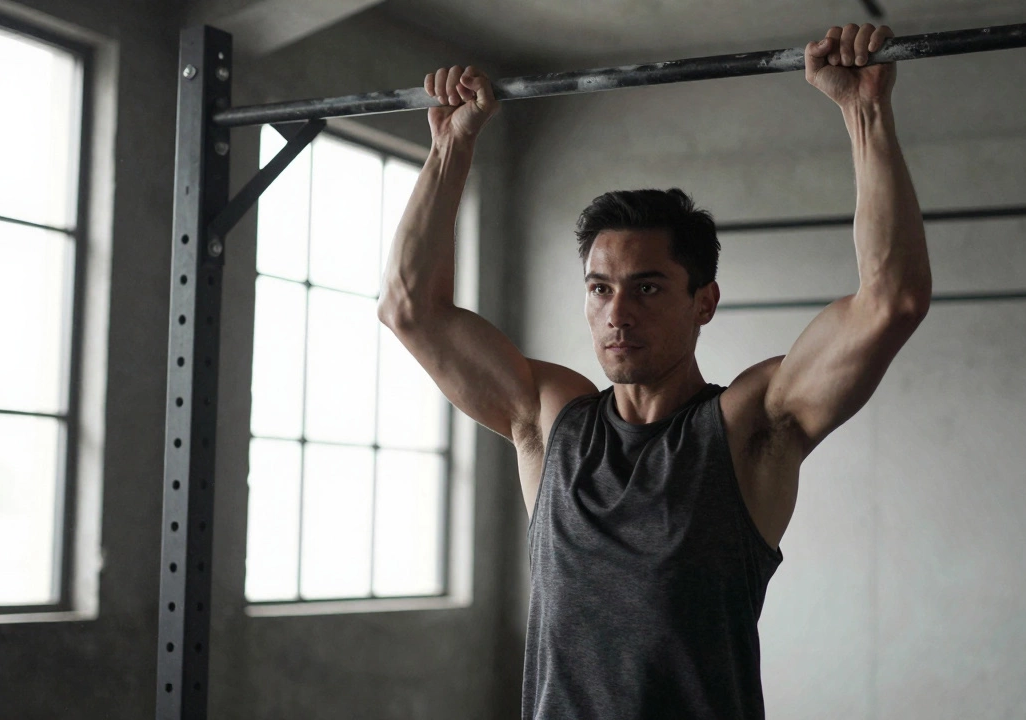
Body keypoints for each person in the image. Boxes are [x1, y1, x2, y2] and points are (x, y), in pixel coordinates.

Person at [377, 22, 931, 720]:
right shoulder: (551, 421)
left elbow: (890, 300)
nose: (617, 313)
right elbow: (409, 309)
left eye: (646, 287)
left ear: (704, 302)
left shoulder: (749, 428)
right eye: (599, 288)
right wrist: (450, 147)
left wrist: (864, 110)